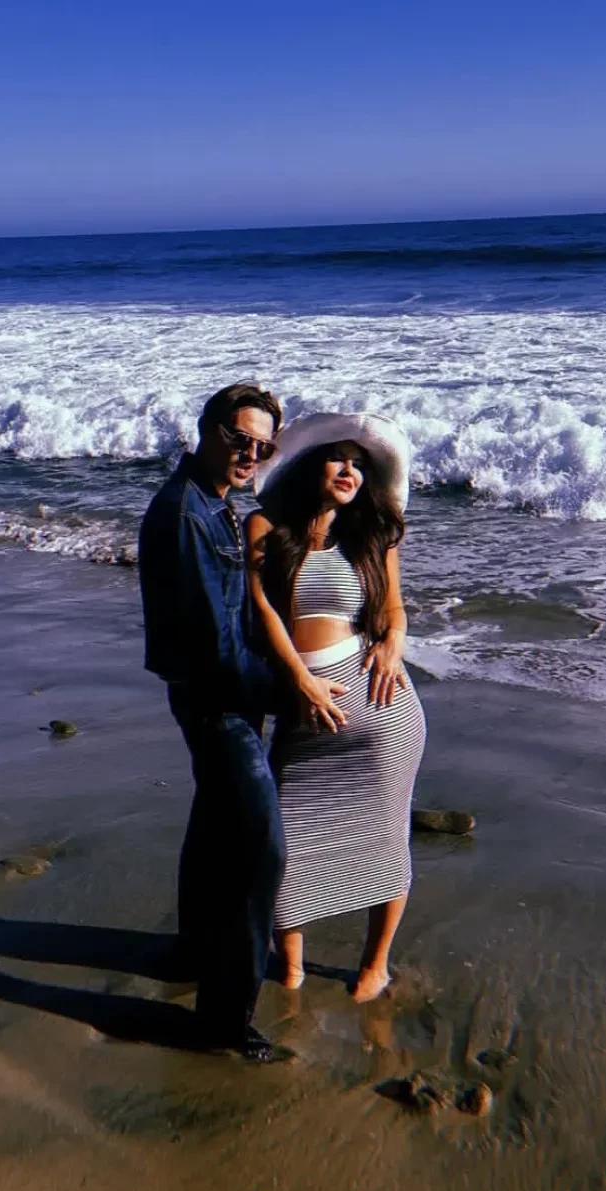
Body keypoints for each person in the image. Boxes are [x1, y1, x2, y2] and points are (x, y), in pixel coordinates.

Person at [246, 413, 426, 1003]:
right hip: (306, 705)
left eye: (359, 464)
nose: (350, 471)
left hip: (382, 709)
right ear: (309, 465)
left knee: (385, 838)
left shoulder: (371, 535)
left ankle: (375, 966)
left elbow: (394, 609)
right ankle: (291, 967)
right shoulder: (266, 527)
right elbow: (264, 612)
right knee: (286, 842)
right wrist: (301, 681)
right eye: (338, 458)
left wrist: (394, 643)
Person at [137, 382, 287, 1061]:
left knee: (213, 824)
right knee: (259, 846)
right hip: (214, 701)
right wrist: (294, 692)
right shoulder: (185, 515)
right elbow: (217, 651)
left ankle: (194, 952)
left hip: (217, 694)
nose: (250, 455)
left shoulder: (216, 503)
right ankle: (226, 1017)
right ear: (207, 430)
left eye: (263, 448)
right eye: (239, 439)